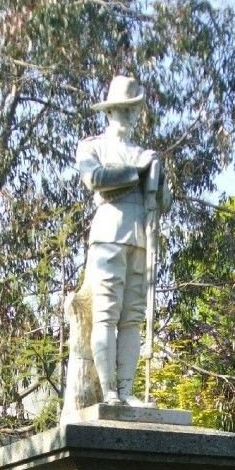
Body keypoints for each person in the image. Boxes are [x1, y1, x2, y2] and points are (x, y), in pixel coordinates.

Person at [75, 75, 168, 406]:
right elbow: (95, 179)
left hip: (141, 237)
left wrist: (159, 175)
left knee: (132, 316)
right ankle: (110, 392)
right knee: (106, 314)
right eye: (123, 110)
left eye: (133, 111)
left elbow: (163, 202)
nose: (128, 117)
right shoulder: (93, 146)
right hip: (108, 234)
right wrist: (137, 171)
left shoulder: (145, 153)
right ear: (110, 111)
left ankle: (127, 392)